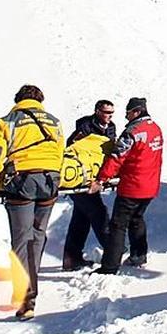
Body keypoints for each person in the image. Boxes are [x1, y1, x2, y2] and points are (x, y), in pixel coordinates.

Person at [0, 84, 64, 321]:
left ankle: (26, 297)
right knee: (37, 236)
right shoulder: (54, 121)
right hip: (50, 182)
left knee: (22, 238)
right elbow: (60, 152)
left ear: (18, 99)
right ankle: (29, 288)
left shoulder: (8, 120)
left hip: (21, 183)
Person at [91, 97, 163, 274]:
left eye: (128, 113)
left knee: (118, 225)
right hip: (150, 186)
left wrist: (101, 179)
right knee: (137, 219)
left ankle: (109, 266)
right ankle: (139, 255)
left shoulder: (133, 132)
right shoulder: (155, 129)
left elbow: (117, 157)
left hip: (132, 186)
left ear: (137, 111)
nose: (126, 117)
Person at [62, 99, 117, 270]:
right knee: (98, 213)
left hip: (94, 178)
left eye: (111, 113)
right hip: (81, 179)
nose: (109, 116)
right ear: (97, 111)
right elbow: (72, 150)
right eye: (106, 112)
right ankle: (113, 253)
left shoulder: (111, 128)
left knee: (81, 217)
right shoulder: (84, 127)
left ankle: (72, 258)